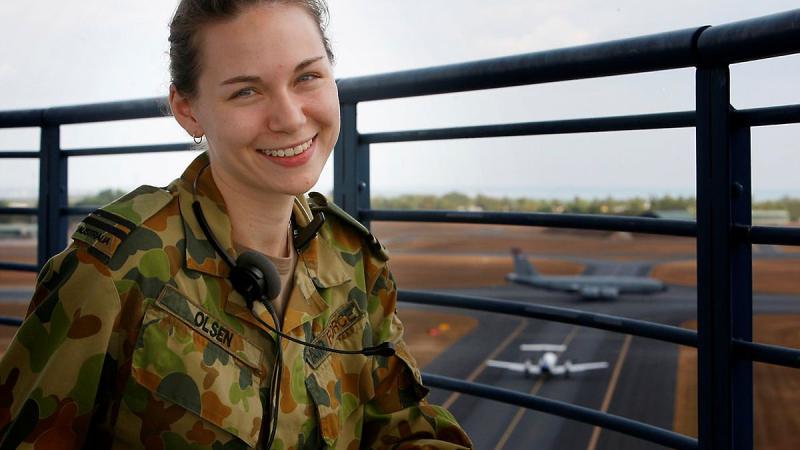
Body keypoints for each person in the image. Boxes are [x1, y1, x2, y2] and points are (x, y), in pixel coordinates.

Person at [0, 1, 473, 448]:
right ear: (188, 110)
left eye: (307, 76)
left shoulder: (355, 261)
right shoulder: (117, 272)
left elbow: (400, 426)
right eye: (246, 90)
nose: (289, 118)